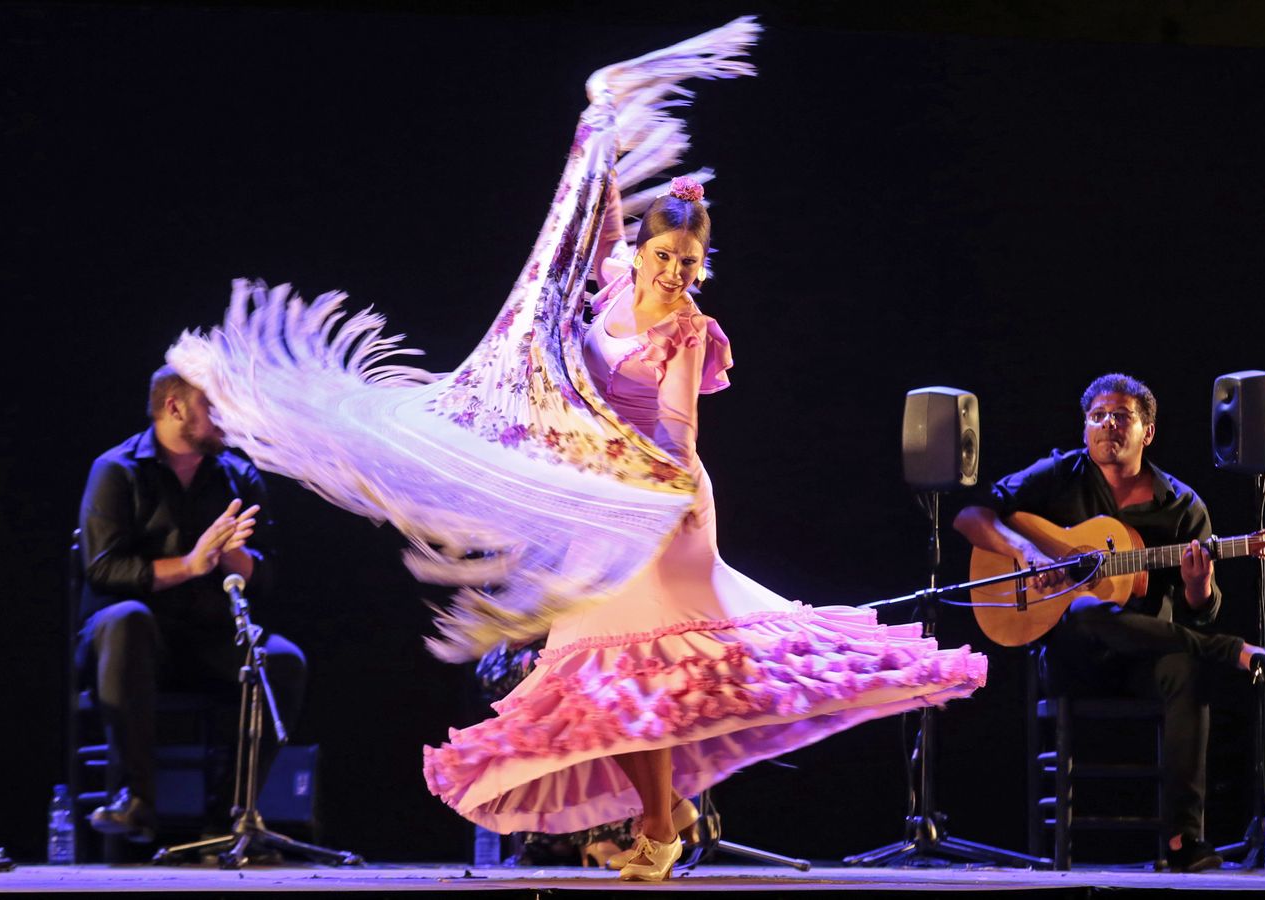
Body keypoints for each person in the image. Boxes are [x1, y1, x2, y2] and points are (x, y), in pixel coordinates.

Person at [164, 19, 985, 883]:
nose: (676, 271)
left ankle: (663, 829)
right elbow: (582, 222)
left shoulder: (688, 331)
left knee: (638, 668)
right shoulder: (613, 287)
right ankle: (662, 827)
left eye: (690, 261)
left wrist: (642, 490)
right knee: (617, 678)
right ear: (640, 250)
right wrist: (600, 126)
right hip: (604, 503)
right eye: (666, 254)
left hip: (660, 505)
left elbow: (676, 434)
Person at [953, 372, 1265, 874]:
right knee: (1088, 608)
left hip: (1144, 657)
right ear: (1084, 426)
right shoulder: (1058, 475)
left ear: (1147, 432)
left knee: (1184, 667)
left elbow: (1201, 608)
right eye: (1097, 416)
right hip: (1072, 656)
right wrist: (1026, 551)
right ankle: (1232, 651)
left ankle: (1184, 839)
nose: (1107, 424)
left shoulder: (1183, 505)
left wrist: (1199, 586)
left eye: (1122, 417)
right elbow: (970, 517)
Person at [76, 366, 307, 843]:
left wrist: (232, 556)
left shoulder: (237, 476)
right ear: (174, 406)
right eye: (213, 405)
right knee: (128, 620)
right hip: (130, 643)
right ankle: (135, 800)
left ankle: (229, 816)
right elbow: (102, 569)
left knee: (283, 659)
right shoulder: (116, 470)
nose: (226, 416)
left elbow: (265, 576)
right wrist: (192, 563)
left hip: (207, 637)